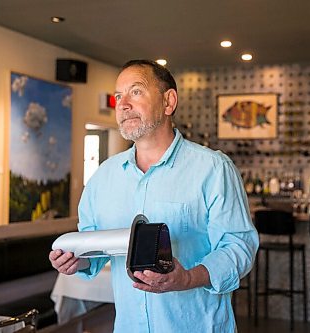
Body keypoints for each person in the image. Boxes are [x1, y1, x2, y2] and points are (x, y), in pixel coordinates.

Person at [49, 59, 258, 332]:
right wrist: (76, 260)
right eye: (118, 96)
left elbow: (238, 246)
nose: (123, 104)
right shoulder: (103, 177)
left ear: (169, 101)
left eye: (135, 92)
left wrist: (187, 278)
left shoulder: (213, 169)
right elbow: (96, 250)